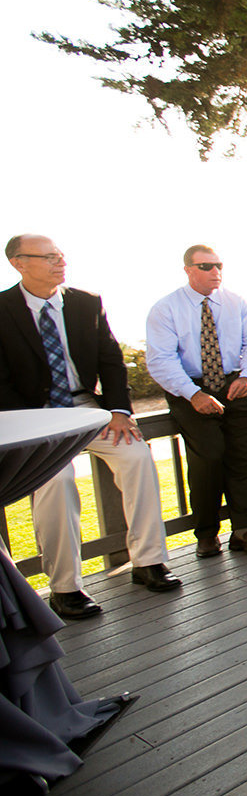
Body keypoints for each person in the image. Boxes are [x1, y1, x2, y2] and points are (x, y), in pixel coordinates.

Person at [1, 235, 179, 619]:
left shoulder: (86, 303)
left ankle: (148, 562)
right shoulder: (2, 309)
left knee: (137, 457)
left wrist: (118, 409)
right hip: (38, 418)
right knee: (56, 481)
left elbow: (111, 361)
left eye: (60, 256)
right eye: (48, 257)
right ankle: (65, 587)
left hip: (88, 410)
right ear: (19, 262)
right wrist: (37, 424)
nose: (59, 262)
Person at [146, 244, 247, 556]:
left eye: (218, 265)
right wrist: (194, 394)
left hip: (235, 385)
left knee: (243, 457)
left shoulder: (235, 302)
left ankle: (244, 530)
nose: (215, 272)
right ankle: (206, 534)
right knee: (209, 457)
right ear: (188, 269)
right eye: (206, 266)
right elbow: (161, 360)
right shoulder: (166, 308)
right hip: (190, 389)